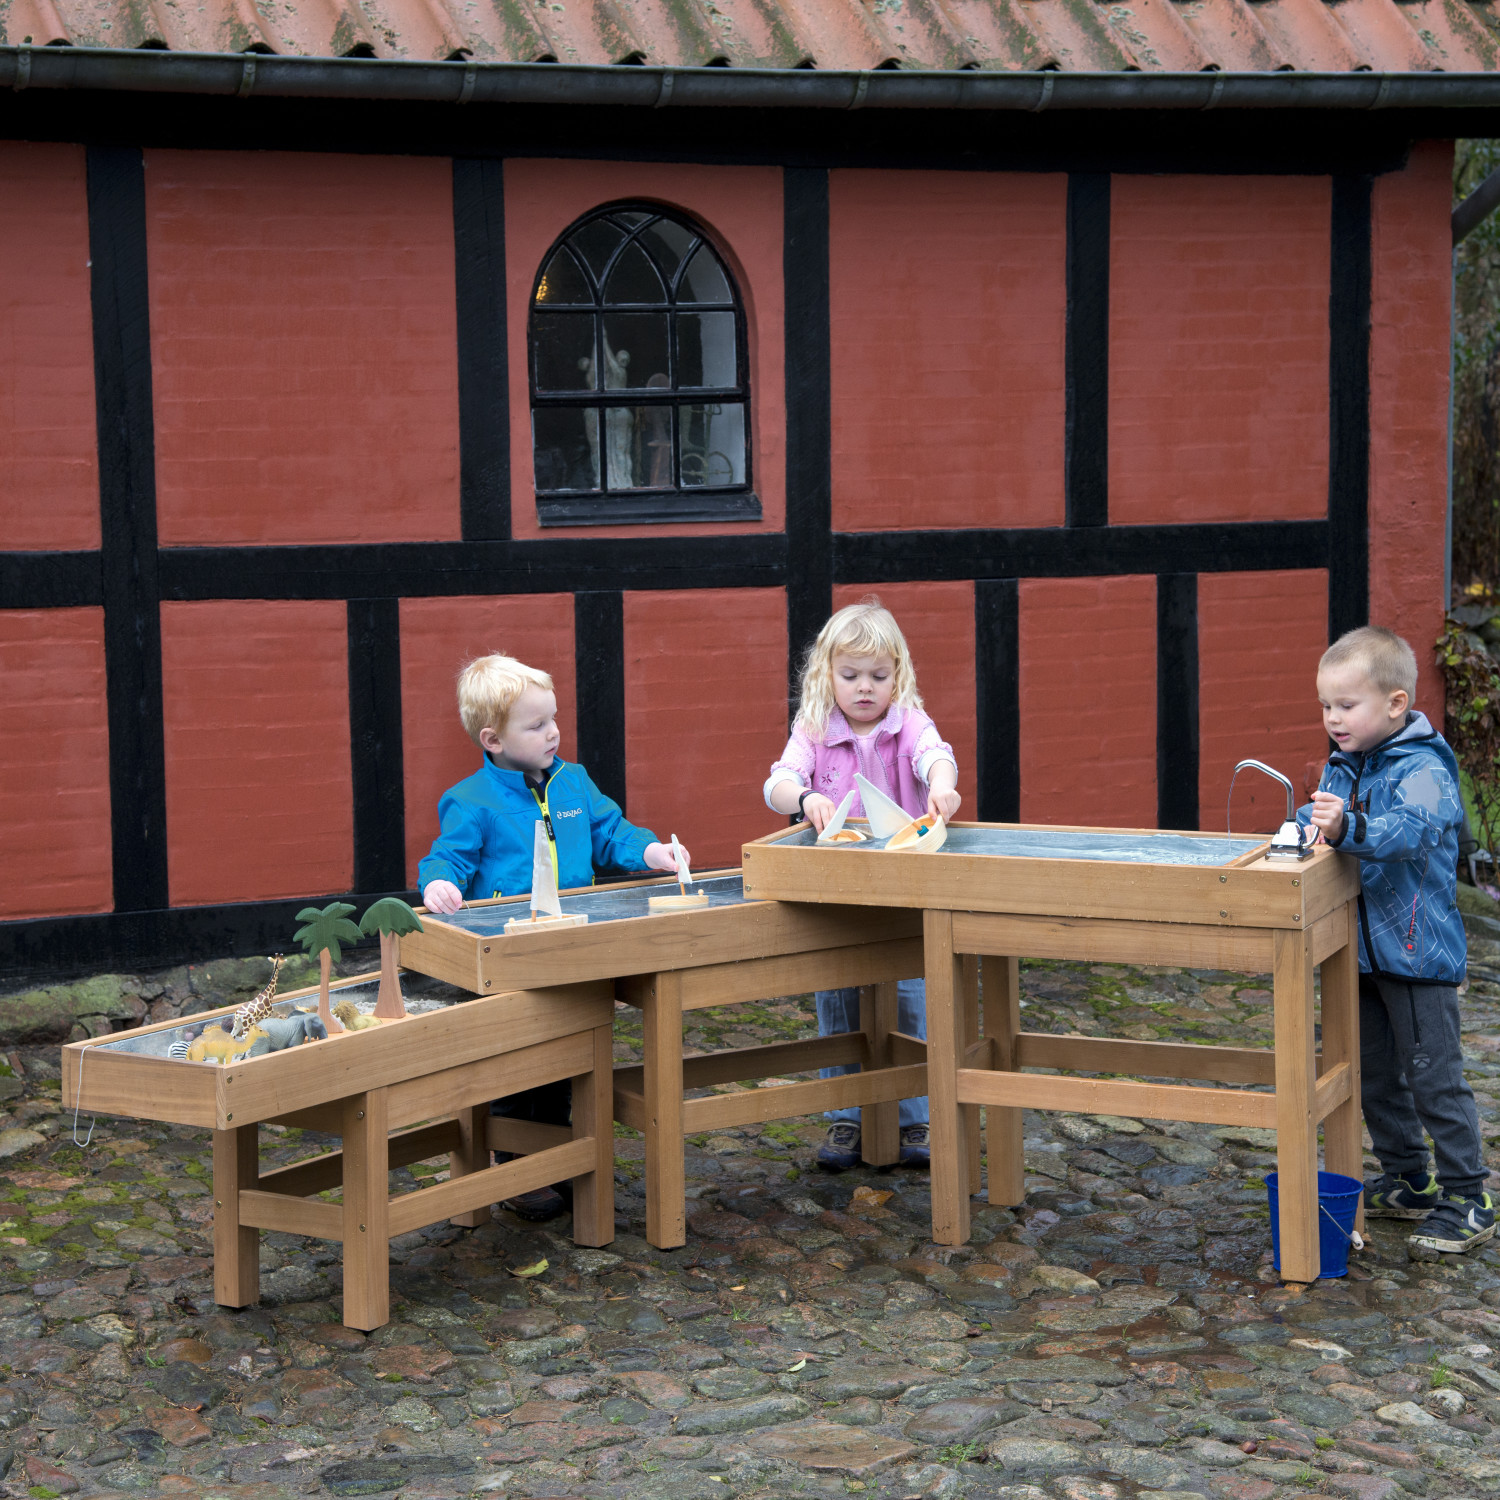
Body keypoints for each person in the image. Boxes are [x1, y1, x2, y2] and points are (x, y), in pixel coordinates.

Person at [420, 653, 686, 1220]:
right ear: (493, 739)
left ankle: (563, 1153)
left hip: (574, 944)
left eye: (554, 719)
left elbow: (610, 831)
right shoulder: (471, 800)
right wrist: (439, 882)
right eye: (536, 725)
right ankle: (517, 1164)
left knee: (572, 1052)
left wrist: (649, 851)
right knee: (520, 1059)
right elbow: (449, 856)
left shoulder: (575, 781)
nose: (553, 732)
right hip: (513, 952)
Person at [1300, 626, 1489, 1253]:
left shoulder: (1426, 767)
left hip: (1417, 953)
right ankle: (1410, 1180)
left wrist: (1346, 824)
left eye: (1346, 705)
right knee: (1375, 1076)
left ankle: (1470, 1195)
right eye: (1326, 705)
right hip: (1358, 952)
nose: (1333, 718)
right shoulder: (1344, 763)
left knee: (1434, 1077)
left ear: (1396, 704)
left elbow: (1409, 832)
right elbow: (1325, 815)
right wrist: (1303, 827)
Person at [765, 599, 961, 1171]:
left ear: (898, 674)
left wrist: (943, 788)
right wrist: (804, 798)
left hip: (902, 890)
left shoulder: (909, 723)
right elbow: (776, 782)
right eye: (850, 676)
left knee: (910, 996)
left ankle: (914, 1114)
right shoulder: (814, 727)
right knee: (838, 998)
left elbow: (936, 758)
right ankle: (845, 1115)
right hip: (839, 893)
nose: (865, 688)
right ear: (827, 674)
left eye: (879, 676)